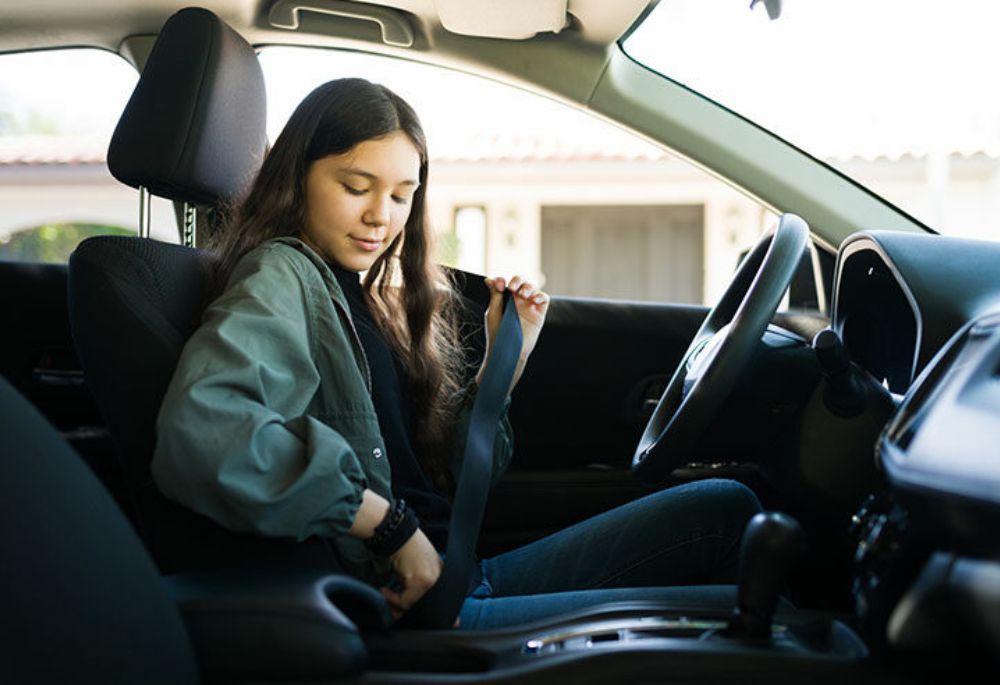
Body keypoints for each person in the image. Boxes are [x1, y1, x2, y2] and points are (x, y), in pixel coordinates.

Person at [153, 78, 762, 630]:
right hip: (425, 610)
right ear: (298, 178)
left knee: (727, 510)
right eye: (355, 187)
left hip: (460, 571)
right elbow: (206, 432)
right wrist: (387, 526)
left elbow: (440, 479)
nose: (380, 216)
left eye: (401, 195)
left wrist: (506, 362)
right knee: (760, 615)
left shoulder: (356, 294)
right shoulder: (281, 276)